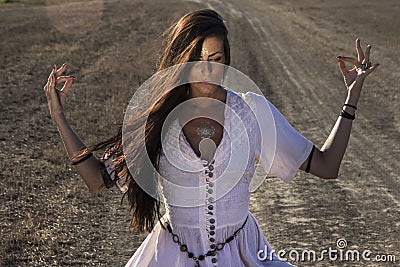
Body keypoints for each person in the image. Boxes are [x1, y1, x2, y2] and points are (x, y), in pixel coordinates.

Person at [43, 9, 379, 267]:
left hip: (244, 254)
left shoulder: (252, 112)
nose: (207, 69)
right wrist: (59, 116)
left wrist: (351, 98)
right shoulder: (156, 119)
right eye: (197, 60)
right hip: (171, 255)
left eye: (216, 59)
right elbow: (98, 179)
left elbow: (326, 164)